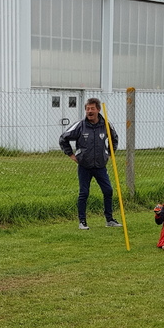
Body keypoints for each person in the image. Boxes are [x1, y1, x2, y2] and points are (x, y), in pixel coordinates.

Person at [59, 97, 121, 230]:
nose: (89, 111)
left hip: (100, 166)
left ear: (98, 110)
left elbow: (114, 138)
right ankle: (82, 222)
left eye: (92, 108)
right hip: (84, 166)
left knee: (108, 191)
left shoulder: (106, 125)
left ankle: (109, 219)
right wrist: (71, 155)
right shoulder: (80, 125)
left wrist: (109, 154)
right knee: (84, 193)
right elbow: (63, 138)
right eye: (87, 109)